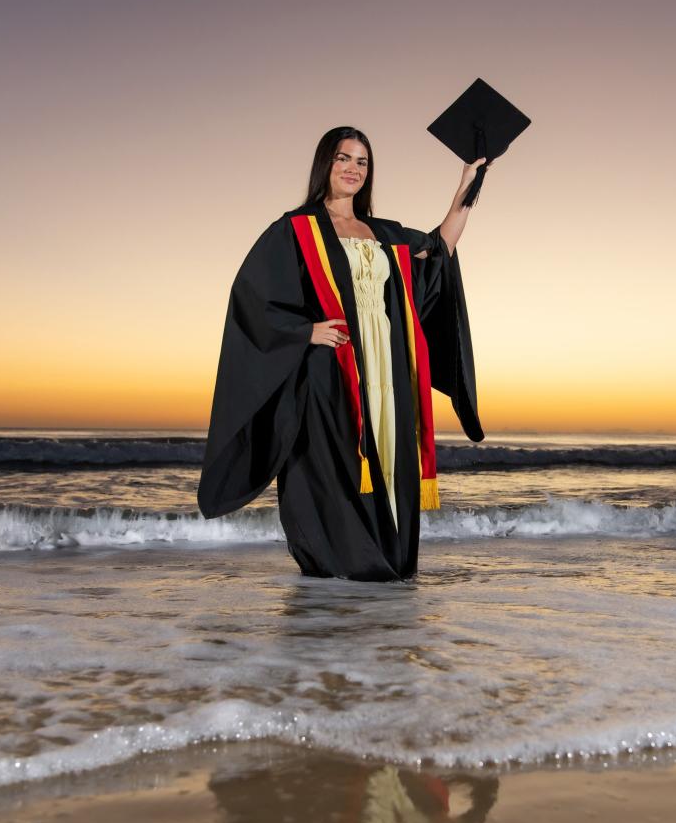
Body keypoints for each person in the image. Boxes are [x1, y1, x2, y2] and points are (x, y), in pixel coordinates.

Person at [197, 126, 484, 581]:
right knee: (329, 465)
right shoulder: (296, 229)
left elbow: (441, 248)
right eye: (343, 159)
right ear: (325, 165)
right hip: (331, 369)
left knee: (387, 459)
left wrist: (468, 181)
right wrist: (303, 331)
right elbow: (251, 298)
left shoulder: (384, 232)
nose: (353, 169)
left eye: (362, 162)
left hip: (386, 366)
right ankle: (343, 563)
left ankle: (383, 567)